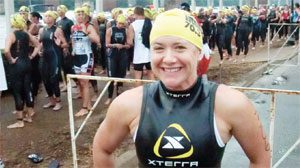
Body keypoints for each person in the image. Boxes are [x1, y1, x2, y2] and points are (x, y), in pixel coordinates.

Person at [93, 9, 270, 167]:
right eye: (159, 48)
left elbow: (260, 159)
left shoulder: (230, 103)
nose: (168, 58)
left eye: (179, 47)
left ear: (198, 52)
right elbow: (102, 148)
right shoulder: (129, 103)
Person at [4, 14, 40, 128]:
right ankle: (29, 116)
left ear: (13, 23)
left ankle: (20, 121)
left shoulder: (12, 35)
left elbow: (6, 51)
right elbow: (38, 45)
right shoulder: (26, 34)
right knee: (27, 89)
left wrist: (11, 60)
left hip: (17, 66)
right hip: (27, 64)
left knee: (17, 92)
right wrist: (32, 56)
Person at [71, 7, 99, 117]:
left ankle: (84, 108)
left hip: (87, 56)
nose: (80, 16)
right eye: (78, 14)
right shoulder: (73, 27)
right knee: (80, 83)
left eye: (82, 14)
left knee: (85, 82)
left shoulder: (89, 26)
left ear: (85, 16)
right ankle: (88, 105)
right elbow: (73, 39)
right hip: (77, 56)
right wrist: (73, 49)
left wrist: (85, 32)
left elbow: (97, 40)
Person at [39, 11, 68, 111]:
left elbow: (65, 44)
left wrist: (59, 44)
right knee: (45, 79)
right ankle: (51, 100)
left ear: (54, 18)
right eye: (45, 16)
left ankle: (58, 102)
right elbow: (41, 43)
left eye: (49, 16)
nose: (46, 18)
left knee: (53, 79)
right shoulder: (42, 30)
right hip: (45, 56)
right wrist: (39, 51)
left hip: (55, 57)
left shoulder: (57, 30)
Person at [105, 14, 130, 105]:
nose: (121, 25)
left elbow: (129, 45)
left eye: (123, 24)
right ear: (116, 22)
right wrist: (115, 45)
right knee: (111, 77)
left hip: (122, 55)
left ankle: (119, 97)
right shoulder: (110, 30)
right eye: (120, 23)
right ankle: (109, 97)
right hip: (112, 55)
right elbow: (107, 44)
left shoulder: (126, 31)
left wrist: (123, 46)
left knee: (120, 77)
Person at [127, 7, 155, 86]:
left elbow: (129, 42)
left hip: (138, 54)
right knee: (151, 75)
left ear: (135, 14)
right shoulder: (152, 23)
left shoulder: (133, 25)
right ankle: (152, 95)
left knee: (138, 77)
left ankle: (138, 95)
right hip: (150, 54)